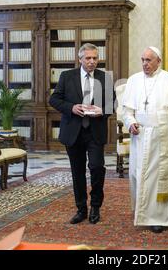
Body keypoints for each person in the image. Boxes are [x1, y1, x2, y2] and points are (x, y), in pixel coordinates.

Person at [122, 46, 168, 234]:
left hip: (163, 138)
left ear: (158, 61)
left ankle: (160, 217)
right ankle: (143, 212)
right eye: (143, 60)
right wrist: (131, 123)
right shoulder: (134, 81)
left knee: (160, 178)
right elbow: (126, 112)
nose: (145, 64)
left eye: (149, 60)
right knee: (139, 175)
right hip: (141, 137)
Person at [49, 43, 115, 225]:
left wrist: (103, 110)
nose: (92, 61)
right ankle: (81, 209)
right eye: (88, 58)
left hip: (95, 131)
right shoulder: (66, 76)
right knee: (77, 172)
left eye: (95, 58)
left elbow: (112, 103)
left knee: (96, 168)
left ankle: (95, 207)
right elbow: (54, 99)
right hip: (73, 132)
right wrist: (71, 107)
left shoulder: (105, 77)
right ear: (80, 59)